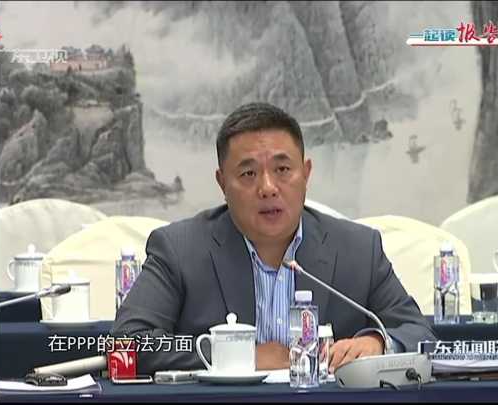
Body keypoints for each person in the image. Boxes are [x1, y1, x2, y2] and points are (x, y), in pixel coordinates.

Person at [112, 102, 436, 375]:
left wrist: (379, 343)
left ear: (306, 174)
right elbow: (126, 343)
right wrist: (239, 356)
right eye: (248, 173)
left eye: (282, 170)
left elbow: (420, 334)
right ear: (222, 183)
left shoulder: (359, 249)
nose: (268, 188)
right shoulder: (180, 249)